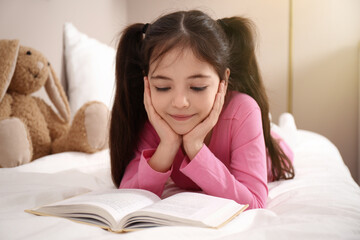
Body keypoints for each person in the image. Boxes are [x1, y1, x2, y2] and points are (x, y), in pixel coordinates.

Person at [110, 10, 294, 209]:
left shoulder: (244, 111)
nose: (179, 103)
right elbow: (128, 193)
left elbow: (254, 202)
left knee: (277, 143)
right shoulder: (156, 118)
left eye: (197, 87)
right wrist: (168, 145)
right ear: (147, 83)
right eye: (162, 87)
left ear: (223, 81)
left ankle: (282, 127)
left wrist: (195, 147)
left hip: (270, 153)